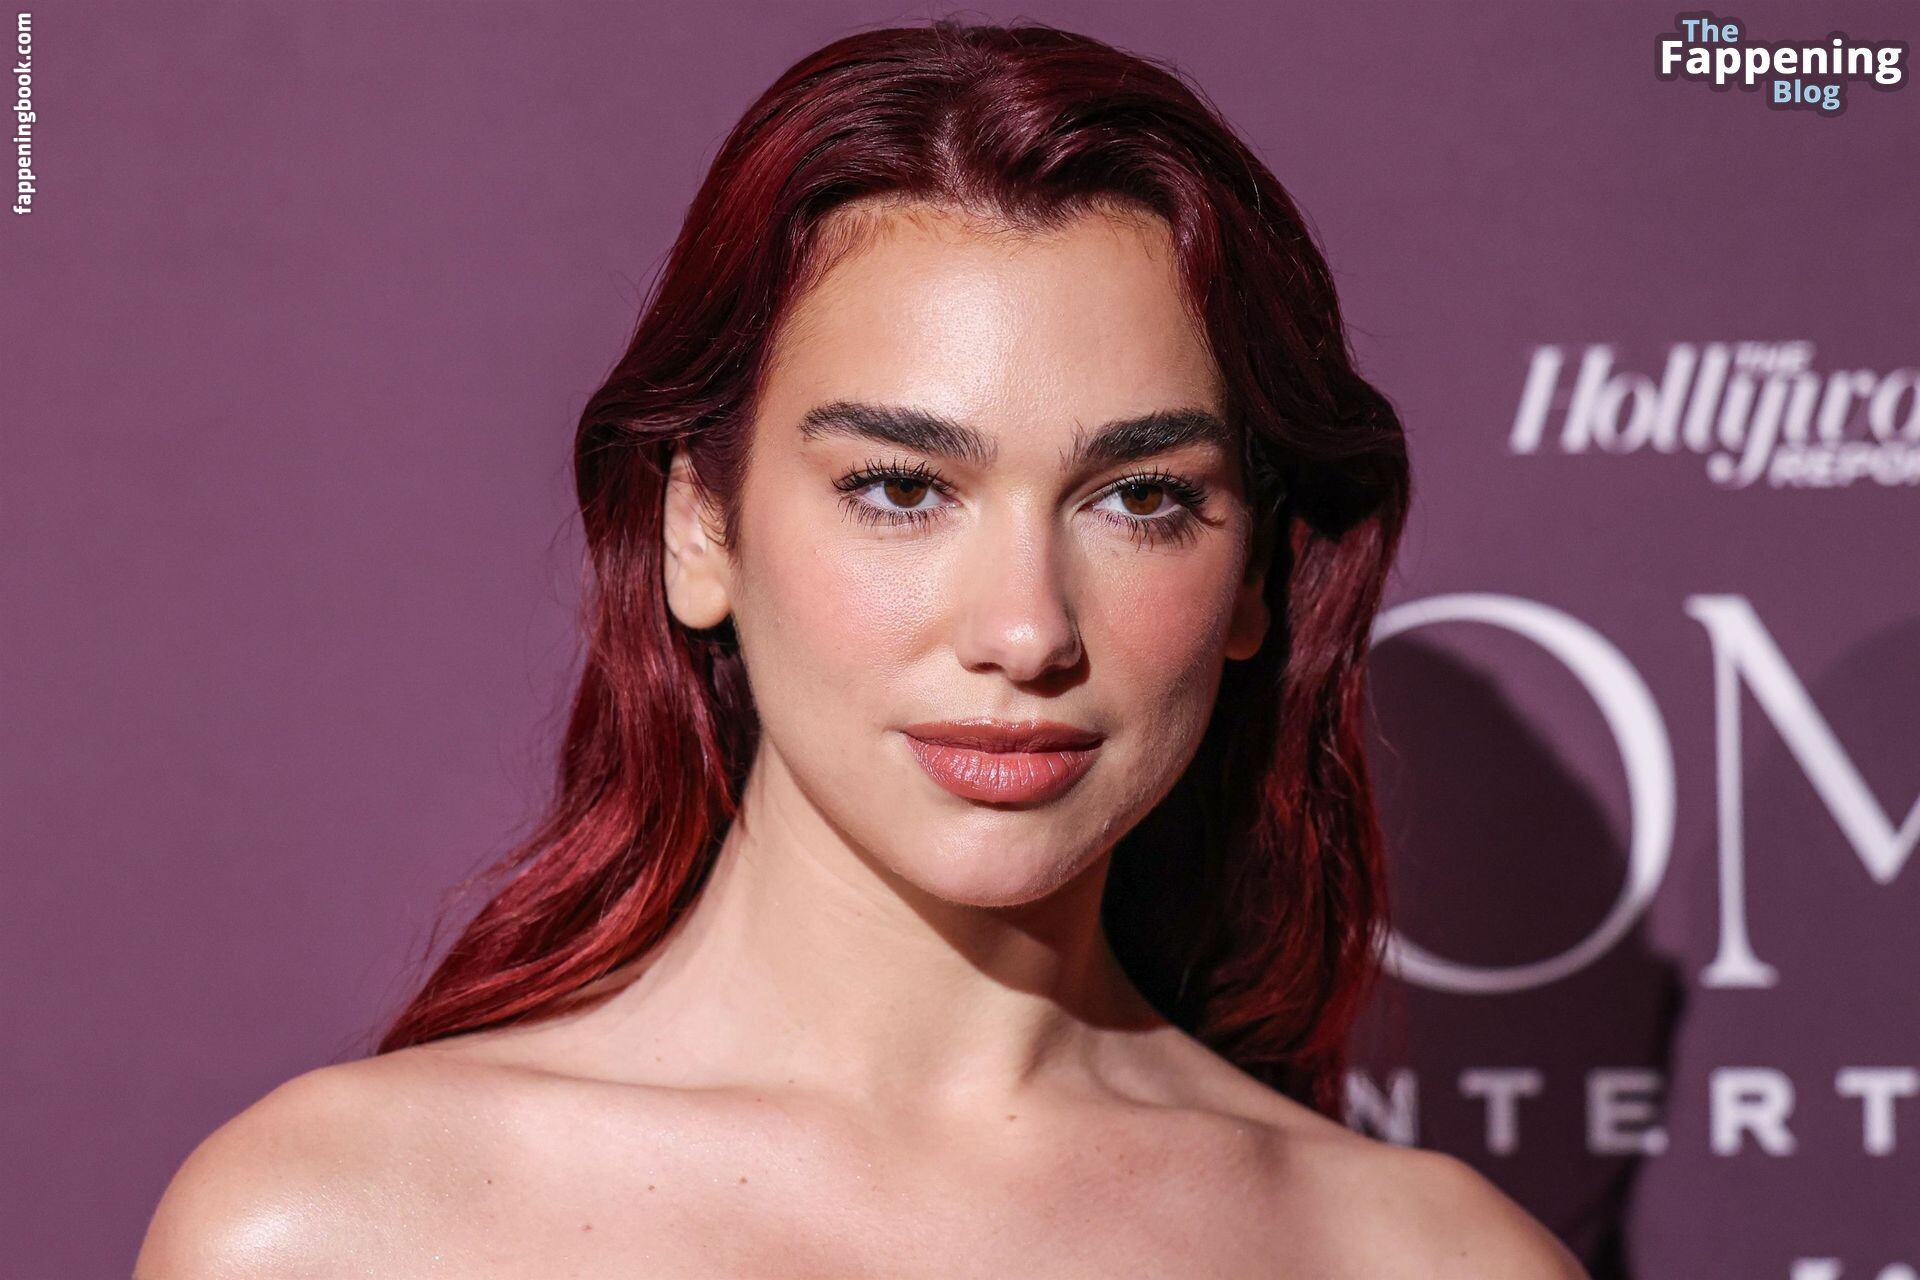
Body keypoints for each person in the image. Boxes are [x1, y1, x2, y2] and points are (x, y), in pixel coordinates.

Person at [137, 18, 1586, 1278]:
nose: (1026, 631)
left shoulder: (1427, 1260)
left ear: (1257, 571)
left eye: (1140, 499)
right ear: (697, 528)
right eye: (900, 489)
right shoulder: (336, 1229)